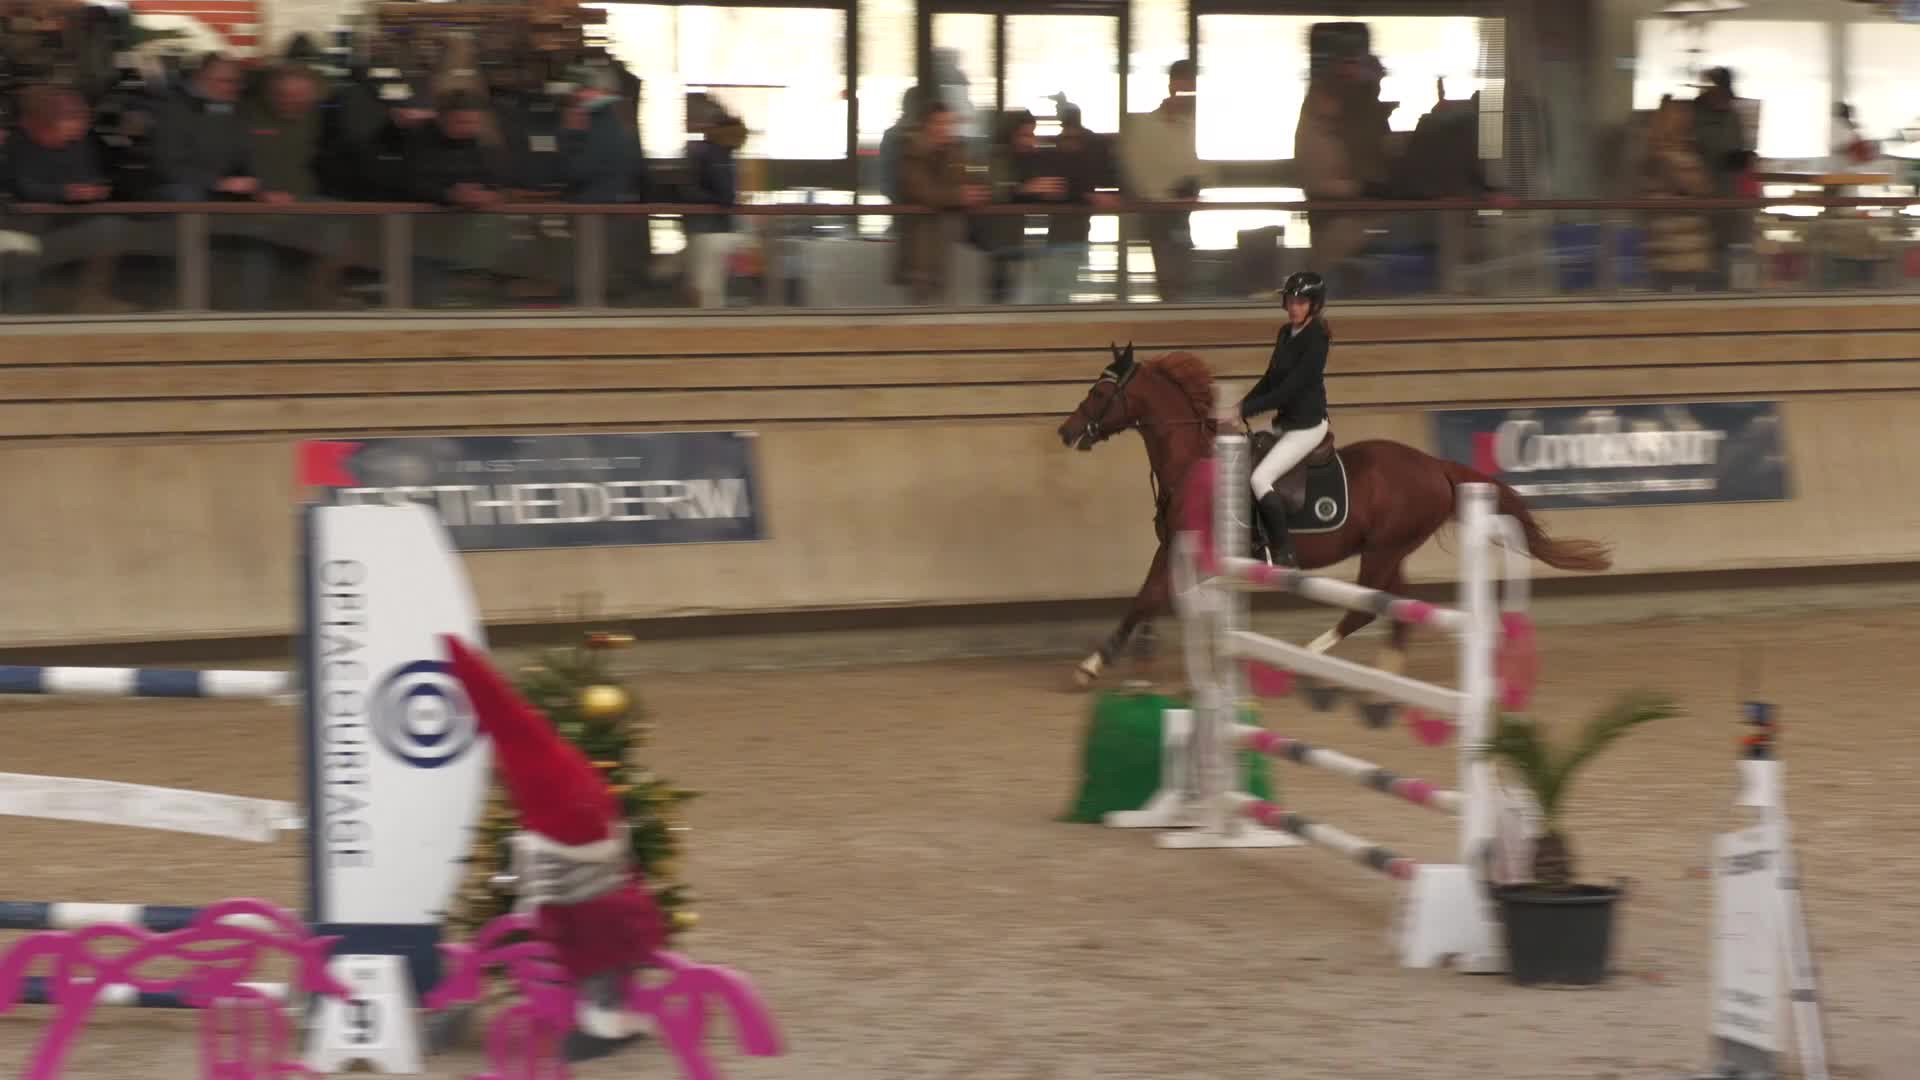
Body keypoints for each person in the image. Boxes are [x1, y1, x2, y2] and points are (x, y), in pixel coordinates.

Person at [1236, 271, 1331, 567]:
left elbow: (1290, 389)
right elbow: (1270, 379)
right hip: (1285, 423)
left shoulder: (1317, 338)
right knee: (1242, 458)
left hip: (1307, 426)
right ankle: (1256, 538)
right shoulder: (1285, 333)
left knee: (1260, 478)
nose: (1293, 307)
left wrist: (1243, 411)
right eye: (1290, 301)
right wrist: (1241, 405)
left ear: (1314, 305)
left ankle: (1284, 551)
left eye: (1300, 302)